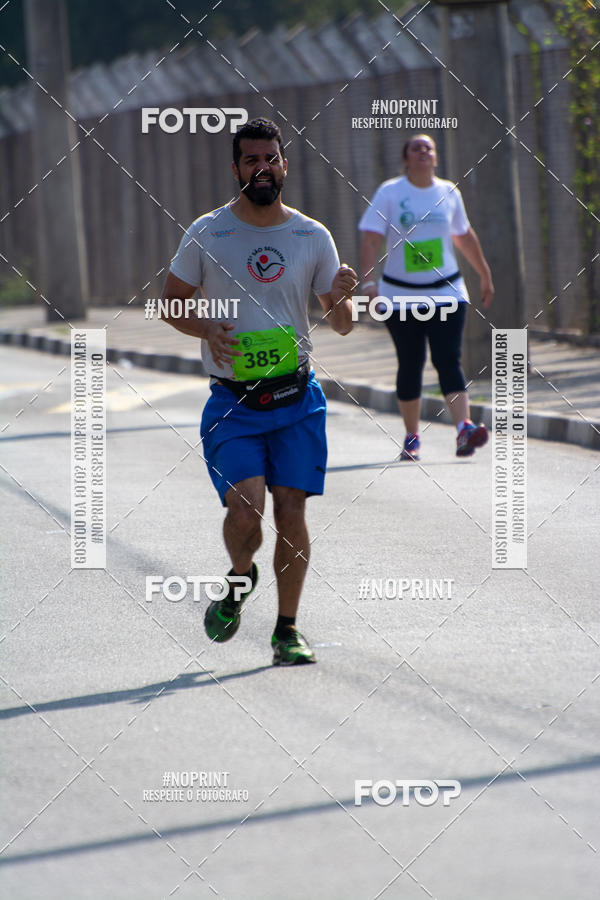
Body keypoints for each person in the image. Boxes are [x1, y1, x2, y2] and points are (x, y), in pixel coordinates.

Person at [160, 117, 356, 665]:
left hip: (297, 400)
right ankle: (239, 581)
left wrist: (344, 297)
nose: (262, 168)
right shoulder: (208, 232)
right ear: (236, 169)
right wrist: (206, 328)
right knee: (248, 513)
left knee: (291, 511)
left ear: (284, 165)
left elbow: (340, 323)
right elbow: (170, 300)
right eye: (251, 161)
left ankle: (286, 631)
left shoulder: (311, 236)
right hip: (235, 404)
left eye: (270, 159)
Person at [358, 133, 494, 460]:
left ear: (436, 157)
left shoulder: (448, 192)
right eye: (416, 148)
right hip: (399, 295)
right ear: (405, 158)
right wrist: (368, 285)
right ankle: (411, 435)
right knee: (411, 362)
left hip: (447, 291)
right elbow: (371, 239)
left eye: (428, 148)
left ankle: (463, 428)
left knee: (448, 358)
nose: (423, 152)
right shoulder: (390, 192)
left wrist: (484, 273)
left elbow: (463, 235)